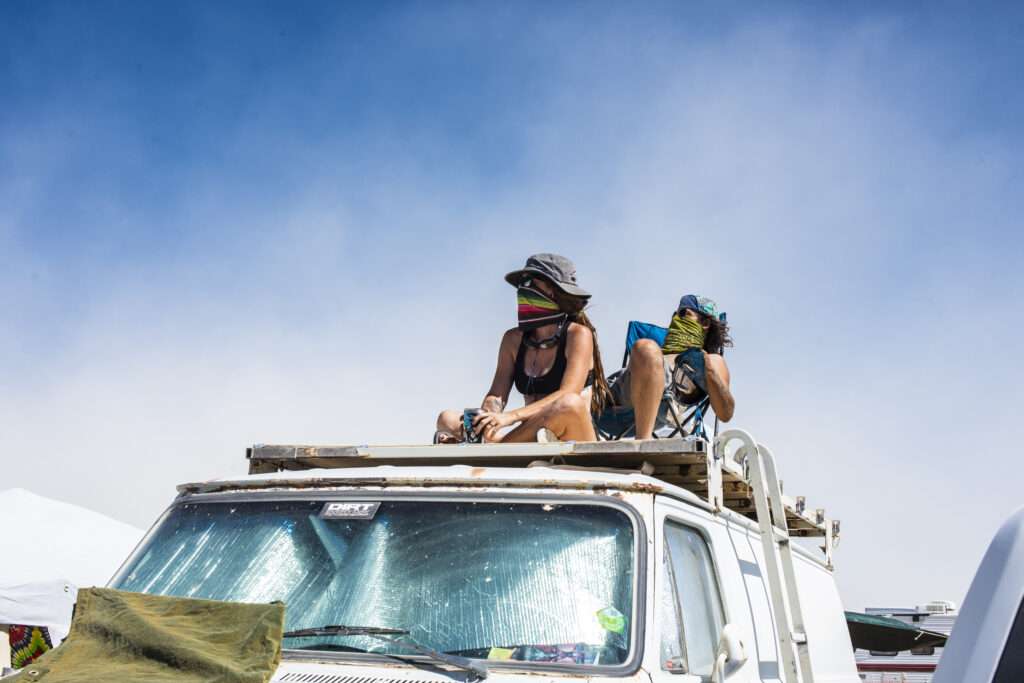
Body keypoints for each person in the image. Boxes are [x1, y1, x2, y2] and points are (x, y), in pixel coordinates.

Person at [435, 253, 612, 443]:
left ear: (553, 291)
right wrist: (486, 420)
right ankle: (490, 445)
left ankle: (494, 448)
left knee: (569, 404)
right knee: (447, 418)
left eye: (530, 283)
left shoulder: (578, 335)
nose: (523, 289)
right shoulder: (513, 339)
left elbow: (568, 392)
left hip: (572, 434)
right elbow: (496, 395)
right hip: (528, 433)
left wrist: (510, 417)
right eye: (521, 283)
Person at [610, 294, 734, 439]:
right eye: (674, 315)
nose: (676, 319)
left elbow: (725, 414)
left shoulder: (711, 361)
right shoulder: (652, 351)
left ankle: (642, 441)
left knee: (646, 348)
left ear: (705, 323)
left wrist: (709, 369)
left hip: (663, 399)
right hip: (613, 396)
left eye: (683, 314)